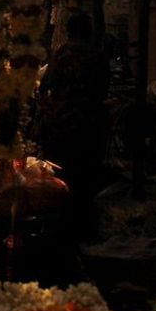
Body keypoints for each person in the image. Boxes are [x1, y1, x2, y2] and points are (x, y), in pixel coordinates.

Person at [33, 10, 111, 195]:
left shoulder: (62, 54)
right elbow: (103, 88)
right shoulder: (97, 55)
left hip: (63, 123)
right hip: (90, 124)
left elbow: (46, 85)